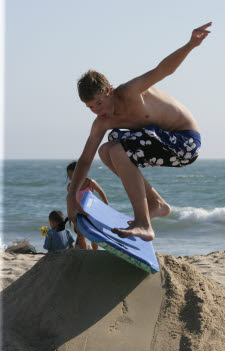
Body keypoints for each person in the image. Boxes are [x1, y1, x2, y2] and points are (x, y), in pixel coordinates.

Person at [67, 22, 212, 241]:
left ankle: (144, 224)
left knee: (118, 148)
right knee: (106, 149)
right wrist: (71, 196)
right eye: (91, 107)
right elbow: (85, 158)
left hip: (186, 142)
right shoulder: (101, 122)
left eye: (99, 103)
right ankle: (156, 204)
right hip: (164, 141)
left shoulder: (131, 91)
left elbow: (164, 70)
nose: (97, 110)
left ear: (110, 91)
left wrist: (191, 44)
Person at [66, 161, 108, 250]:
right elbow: (70, 201)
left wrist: (106, 205)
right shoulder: (70, 187)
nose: (70, 178)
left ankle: (95, 251)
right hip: (78, 214)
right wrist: (70, 216)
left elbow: (101, 192)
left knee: (93, 233)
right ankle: (85, 253)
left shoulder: (89, 182)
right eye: (69, 176)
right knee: (81, 235)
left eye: (71, 175)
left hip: (91, 213)